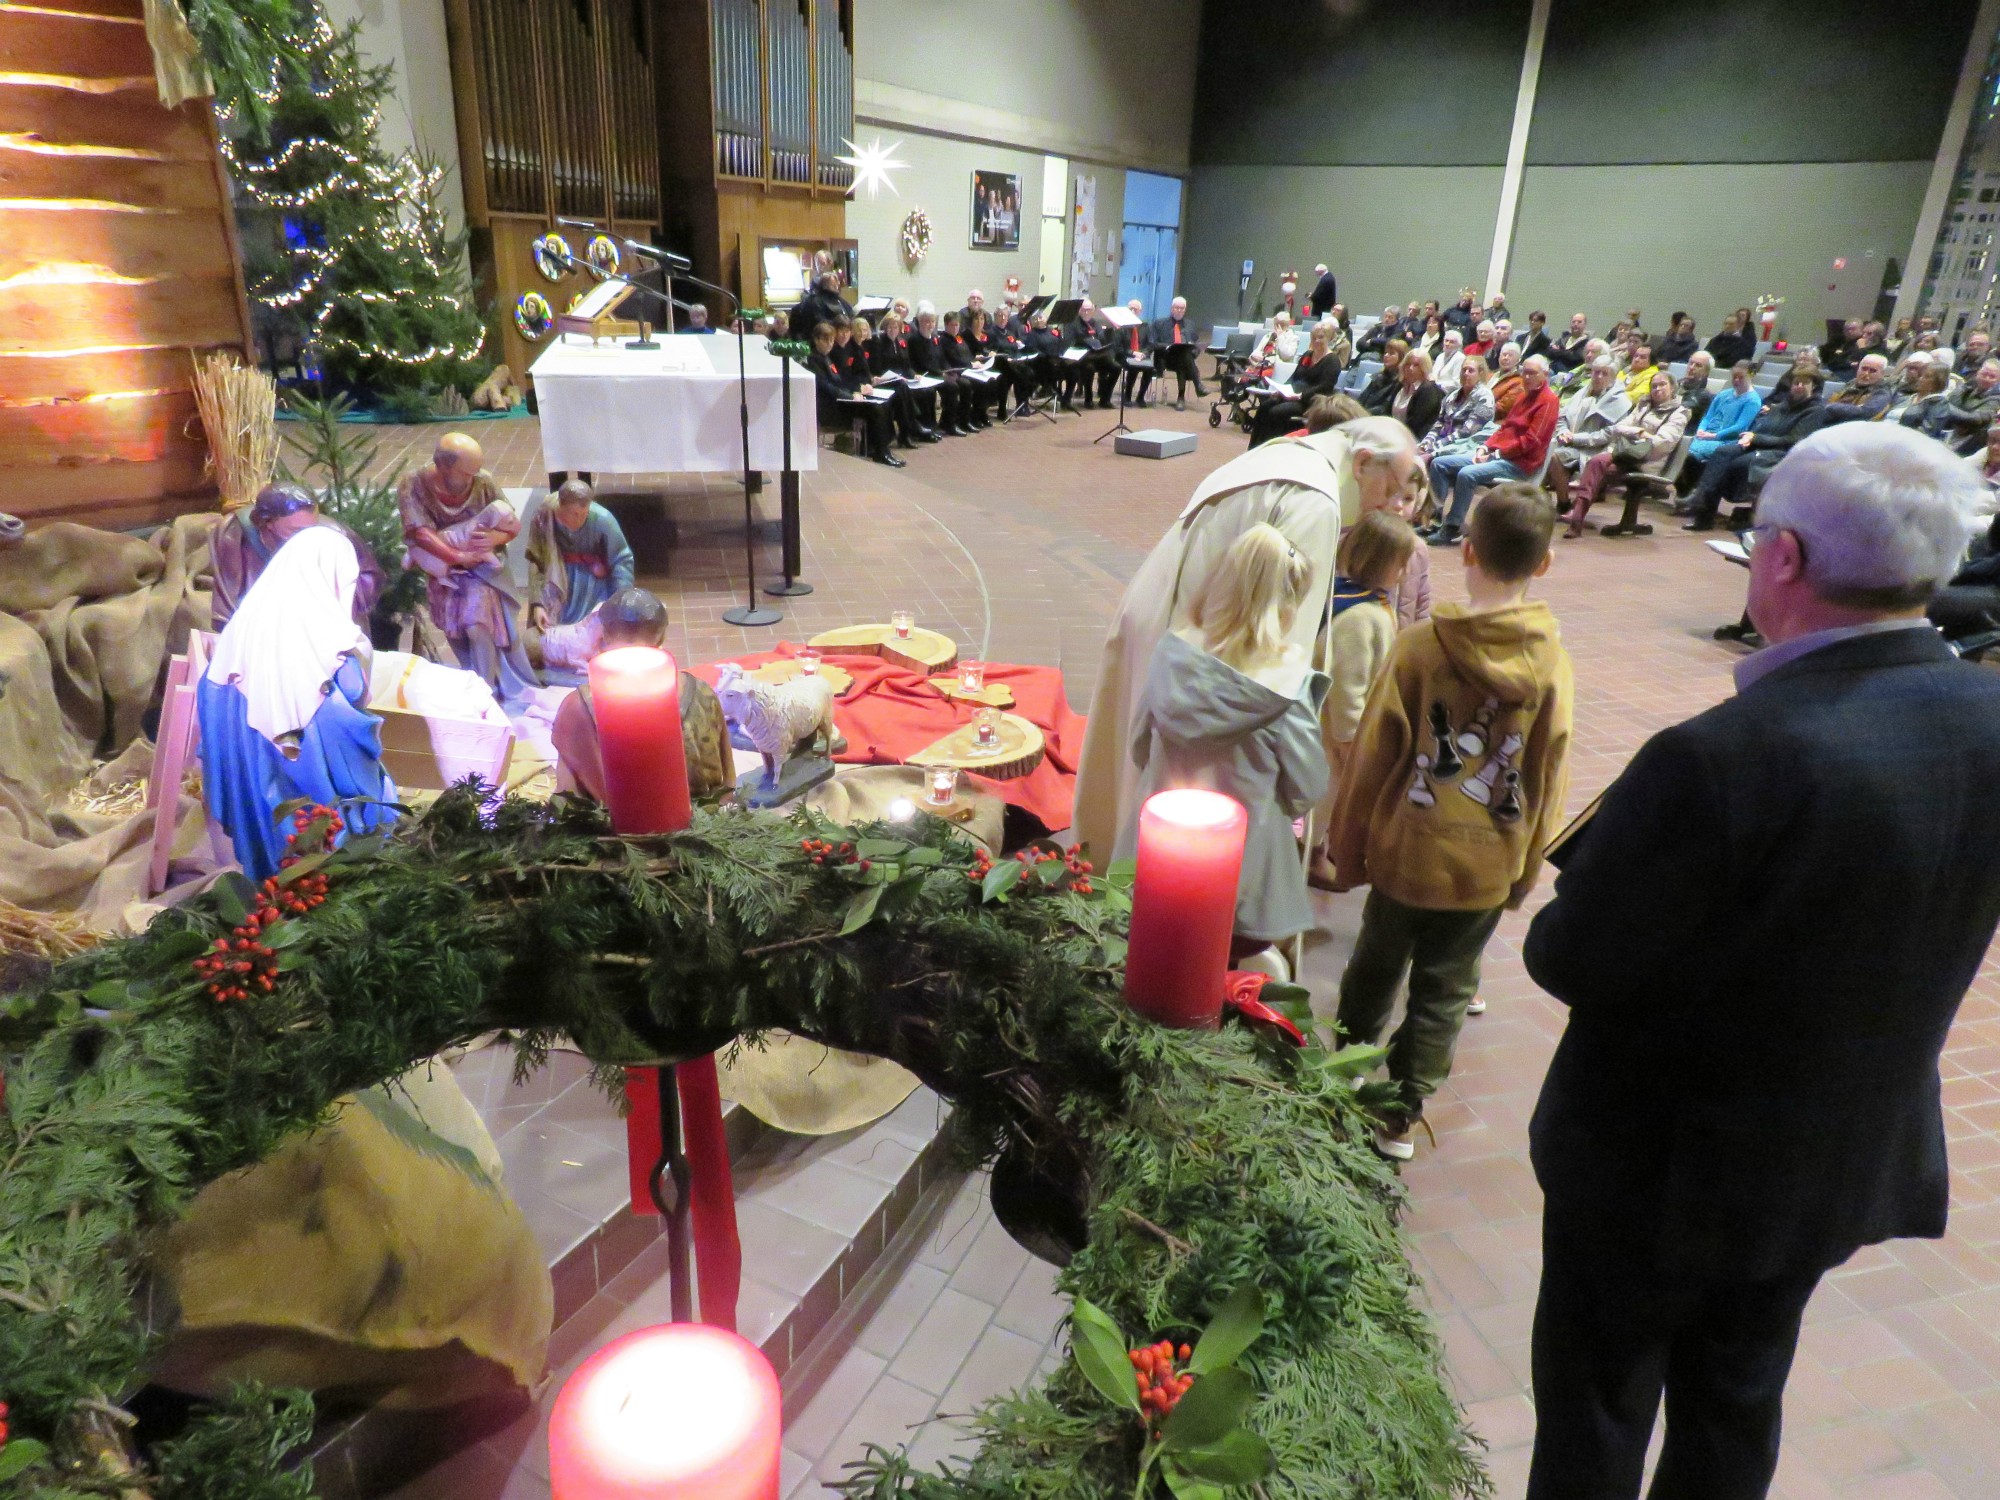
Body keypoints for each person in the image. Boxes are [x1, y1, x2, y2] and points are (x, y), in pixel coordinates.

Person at [1522, 422, 2000, 1500]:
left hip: (1658, 1174)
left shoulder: (1721, 757)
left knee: (1596, 1412)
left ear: (1779, 560)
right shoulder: (1988, 714)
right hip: (1831, 1158)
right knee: (1735, 1400)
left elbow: (1569, 960)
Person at [1330, 482, 1572, 1159]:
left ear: (1465, 550)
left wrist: (1347, 850)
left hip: (1409, 849)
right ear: (1544, 563)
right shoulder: (1553, 663)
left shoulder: (1417, 647)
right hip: (1487, 863)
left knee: (1374, 969)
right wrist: (1526, 870)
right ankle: (1399, 1116)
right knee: (1445, 992)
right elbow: (1548, 773)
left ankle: (1339, 1083)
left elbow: (1371, 761)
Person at [1072, 417, 1422, 862]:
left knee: (1131, 768)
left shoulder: (1285, 455)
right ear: (1364, 462)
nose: (1390, 504)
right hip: (1210, 653)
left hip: (1164, 617)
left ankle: (1111, 870)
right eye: (1390, 488)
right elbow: (1279, 648)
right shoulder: (1315, 501)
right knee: (1183, 819)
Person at [1116, 524, 1330, 965]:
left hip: (1157, 857)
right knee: (1220, 977)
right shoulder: (1285, 691)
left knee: (1156, 966)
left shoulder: (1170, 656)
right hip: (1242, 878)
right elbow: (1306, 789)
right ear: (1285, 605)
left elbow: (1138, 749)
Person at [197, 528, 398, 883]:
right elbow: (349, 700)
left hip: (254, 783)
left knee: (277, 847)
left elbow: (213, 712)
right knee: (369, 805)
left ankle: (274, 879)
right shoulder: (329, 640)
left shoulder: (240, 633)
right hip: (311, 784)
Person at [1307, 511, 1420, 886]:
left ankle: (1316, 853)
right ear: (1379, 563)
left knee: (1330, 802)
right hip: (1333, 738)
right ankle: (1307, 859)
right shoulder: (1360, 617)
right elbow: (1348, 686)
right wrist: (1347, 740)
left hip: (1338, 734)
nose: (1404, 574)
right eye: (1400, 565)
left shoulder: (1361, 600)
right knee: (1325, 802)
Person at [551, 588, 735, 804]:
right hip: (707, 826)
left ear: (604, 634)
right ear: (662, 636)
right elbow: (729, 782)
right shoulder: (703, 693)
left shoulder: (576, 707)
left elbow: (565, 797)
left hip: (610, 831)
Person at [398, 433, 536, 699]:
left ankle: (488, 687)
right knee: (454, 628)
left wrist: (495, 538)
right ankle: (470, 677)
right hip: (443, 567)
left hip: (483, 573)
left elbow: (511, 523)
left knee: (477, 625)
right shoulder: (413, 484)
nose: (474, 477)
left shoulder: (482, 481)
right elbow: (420, 533)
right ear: (444, 467)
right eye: (467, 472)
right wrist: (457, 557)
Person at [210, 482, 385, 630]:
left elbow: (371, 578)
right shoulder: (236, 534)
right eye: (295, 531)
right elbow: (226, 609)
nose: (306, 537)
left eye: (311, 529)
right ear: (267, 523)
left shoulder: (336, 536)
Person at [1424, 355, 1560, 546]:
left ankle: (1453, 528)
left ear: (1544, 375)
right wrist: (1484, 447)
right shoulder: (1523, 396)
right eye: (1524, 372)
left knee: (1467, 473)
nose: (1527, 377)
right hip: (1497, 454)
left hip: (1519, 463)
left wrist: (1495, 454)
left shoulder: (1549, 401)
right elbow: (1503, 429)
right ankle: (1435, 519)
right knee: (1439, 464)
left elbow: (1531, 441)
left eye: (1532, 373)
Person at [1682, 367, 1828, 531]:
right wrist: (1750, 435)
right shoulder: (1780, 406)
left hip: (1782, 453)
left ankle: (1700, 502)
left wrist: (1756, 438)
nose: (1799, 386)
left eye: (1805, 383)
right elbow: (1763, 427)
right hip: (1759, 444)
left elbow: (1793, 440)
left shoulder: (1815, 411)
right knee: (1723, 452)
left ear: (1813, 386)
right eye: (1796, 382)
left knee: (1736, 464)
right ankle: (1703, 510)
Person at [1559, 370, 1689, 537]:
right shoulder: (1644, 405)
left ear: (1672, 388)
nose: (1657, 389)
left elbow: (1663, 442)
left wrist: (1634, 435)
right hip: (1624, 454)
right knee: (1595, 462)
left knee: (1600, 469)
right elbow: (1619, 427)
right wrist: (1640, 433)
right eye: (1654, 386)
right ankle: (1577, 517)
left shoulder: (1679, 413)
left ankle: (1577, 517)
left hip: (1646, 461)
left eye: (1662, 385)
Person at [525, 480, 635, 638]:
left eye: (585, 513)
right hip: (556, 579)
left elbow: (622, 560)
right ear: (561, 506)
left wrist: (621, 600)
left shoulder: (603, 519)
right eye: (574, 514)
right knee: (545, 635)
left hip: (593, 585)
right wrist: (537, 603)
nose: (580, 519)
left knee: (595, 631)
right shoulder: (544, 516)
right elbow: (536, 560)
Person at [1543, 357, 1634, 516]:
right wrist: (1563, 431)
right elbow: (1562, 416)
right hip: (1571, 442)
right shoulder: (1582, 392)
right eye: (1595, 372)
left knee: (1556, 456)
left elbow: (1609, 434)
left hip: (1597, 450)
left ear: (1613, 376)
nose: (1598, 377)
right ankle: (1560, 501)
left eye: (1604, 373)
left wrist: (1575, 438)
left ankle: (1568, 505)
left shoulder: (1620, 401)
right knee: (1543, 449)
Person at [807, 320, 903, 467]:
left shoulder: (826, 358)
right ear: (816, 340)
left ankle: (877, 448)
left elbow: (839, 383)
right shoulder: (813, 360)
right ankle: (880, 452)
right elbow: (826, 386)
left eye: (831, 340)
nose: (829, 343)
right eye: (825, 340)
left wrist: (855, 392)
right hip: (832, 408)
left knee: (882, 404)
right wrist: (851, 396)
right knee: (874, 409)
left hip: (841, 400)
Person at [1248, 321, 1345, 447]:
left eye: (1321, 337)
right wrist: (1282, 390)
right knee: (1264, 408)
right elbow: (1294, 377)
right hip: (1293, 396)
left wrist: (1300, 396)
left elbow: (1325, 387)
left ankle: (1271, 448)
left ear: (1328, 338)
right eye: (1314, 337)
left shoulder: (1332, 360)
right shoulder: (1307, 355)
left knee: (1276, 413)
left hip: (1311, 401)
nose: (1316, 340)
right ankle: (1255, 448)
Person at [1681, 360, 1764, 491]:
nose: (1736, 380)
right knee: (1679, 450)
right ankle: (1685, 491)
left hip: (1725, 440)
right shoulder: (1723, 394)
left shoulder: (1753, 400)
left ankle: (1691, 491)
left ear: (1751, 376)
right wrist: (1701, 430)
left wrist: (1714, 435)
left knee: (1689, 454)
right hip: (1705, 436)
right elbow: (1708, 416)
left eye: (1741, 377)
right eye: (1734, 377)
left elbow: (1740, 427)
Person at [1420, 354, 1496, 465]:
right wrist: (1425, 444)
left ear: (1480, 374)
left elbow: (1467, 432)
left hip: (1465, 445)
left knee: (1430, 461)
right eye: (1464, 370)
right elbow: (1439, 424)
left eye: (1471, 371)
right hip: (1442, 443)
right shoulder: (1452, 396)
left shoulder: (1485, 397)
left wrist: (1433, 448)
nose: (1466, 374)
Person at [1151, 296, 1208, 408]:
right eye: (1177, 308)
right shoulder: (1160, 323)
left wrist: (1195, 353)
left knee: (1184, 356)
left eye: (1182, 308)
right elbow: (1153, 343)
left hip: (1184, 360)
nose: (1180, 310)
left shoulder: (1190, 324)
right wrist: (1168, 346)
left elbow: (1196, 343)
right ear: (1172, 308)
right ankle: (1193, 389)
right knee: (1184, 357)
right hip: (1166, 358)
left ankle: (1182, 398)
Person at [1939, 356, 2000, 453]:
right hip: (1952, 431)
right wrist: (1963, 388)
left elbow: (1976, 419)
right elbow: (1950, 401)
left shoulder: (1997, 398)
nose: (1987, 379)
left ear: (1998, 380)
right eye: (1984, 374)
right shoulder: (1968, 386)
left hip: (1972, 439)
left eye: (1992, 377)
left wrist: (1947, 408)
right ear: (1978, 373)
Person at [1065, 300, 1119, 409]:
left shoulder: (1096, 323)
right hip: (1082, 358)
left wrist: (1112, 330)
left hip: (1098, 356)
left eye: (1088, 310)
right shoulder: (1072, 324)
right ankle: (1088, 399)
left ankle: (1105, 399)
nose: (1086, 312)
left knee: (1116, 367)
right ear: (1079, 310)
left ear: (1093, 310)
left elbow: (1101, 339)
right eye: (1084, 310)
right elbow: (1069, 343)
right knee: (1089, 368)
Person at [1818, 352, 1894, 424]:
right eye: (1864, 369)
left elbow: (1865, 413)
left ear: (1882, 374)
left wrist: (1831, 407)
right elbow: (1828, 399)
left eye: (1872, 371)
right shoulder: (1851, 383)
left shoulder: (1882, 393)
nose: (1866, 374)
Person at [1390, 348, 1444, 441]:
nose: (1410, 368)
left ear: (1424, 368)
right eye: (1408, 364)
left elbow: (1416, 424)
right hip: (1395, 433)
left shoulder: (1429, 390)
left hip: (1413, 439)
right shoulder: (1400, 385)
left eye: (1416, 365)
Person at [1114, 298, 1157, 408]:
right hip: (1125, 356)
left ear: (1140, 311)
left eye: (1136, 309)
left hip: (1142, 356)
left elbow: (1151, 344)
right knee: (1134, 367)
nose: (1133, 311)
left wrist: (1143, 354)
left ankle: (1140, 397)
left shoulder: (1146, 326)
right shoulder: (1121, 327)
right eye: (1130, 309)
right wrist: (1133, 353)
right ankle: (1127, 395)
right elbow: (1118, 347)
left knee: (1150, 369)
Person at [1357, 339, 1407, 415]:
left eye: (1391, 353)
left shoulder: (1401, 382)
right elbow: (1362, 398)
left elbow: (1384, 408)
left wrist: (1362, 414)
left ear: (1401, 357)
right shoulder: (1379, 376)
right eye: (1385, 353)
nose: (1386, 355)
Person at [1676, 350, 1715, 427]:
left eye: (1698, 365)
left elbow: (1683, 408)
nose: (1692, 367)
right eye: (1691, 363)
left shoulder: (1704, 395)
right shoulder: (1676, 384)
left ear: (1706, 371)